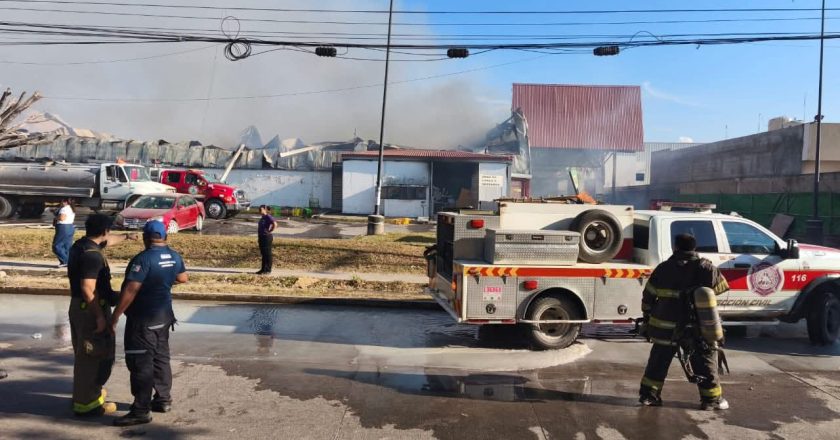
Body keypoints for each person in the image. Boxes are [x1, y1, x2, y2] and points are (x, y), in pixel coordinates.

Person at [638, 233, 730, 411]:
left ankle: (649, 396)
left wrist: (648, 317)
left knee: (658, 361)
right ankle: (711, 401)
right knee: (705, 362)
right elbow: (720, 288)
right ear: (694, 248)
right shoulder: (707, 267)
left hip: (665, 328)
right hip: (696, 328)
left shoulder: (663, 268)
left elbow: (648, 297)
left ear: (675, 247)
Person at [111, 220, 188, 427]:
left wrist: (116, 314)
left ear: (145, 238)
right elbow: (183, 278)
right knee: (161, 357)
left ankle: (141, 410)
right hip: (164, 317)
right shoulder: (174, 255)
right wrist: (162, 280)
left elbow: (131, 290)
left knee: (140, 363)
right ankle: (163, 400)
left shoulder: (143, 259)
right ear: (165, 237)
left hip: (143, 319)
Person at [66, 213, 137, 417]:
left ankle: (87, 393)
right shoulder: (92, 256)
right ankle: (88, 404)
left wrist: (126, 237)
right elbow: (88, 288)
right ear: (104, 231)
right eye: (109, 231)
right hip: (90, 310)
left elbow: (108, 241)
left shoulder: (81, 245)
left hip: (79, 307)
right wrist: (99, 316)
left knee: (85, 355)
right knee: (93, 355)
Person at [53, 198, 75, 268]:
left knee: (56, 246)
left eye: (61, 201)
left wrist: (56, 218)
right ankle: (70, 261)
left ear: (65, 202)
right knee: (67, 246)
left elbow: (62, 218)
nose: (60, 203)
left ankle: (65, 261)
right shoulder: (71, 208)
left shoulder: (64, 209)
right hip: (70, 227)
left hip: (63, 227)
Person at [256, 205, 277, 275]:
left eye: (260, 209)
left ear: (265, 209)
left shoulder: (268, 216)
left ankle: (268, 270)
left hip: (266, 237)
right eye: (259, 209)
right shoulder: (262, 217)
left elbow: (275, 224)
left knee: (267, 254)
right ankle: (263, 269)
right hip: (261, 237)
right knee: (263, 254)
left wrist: (270, 231)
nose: (259, 211)